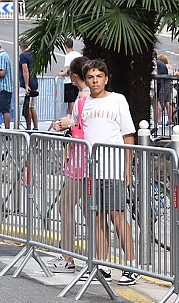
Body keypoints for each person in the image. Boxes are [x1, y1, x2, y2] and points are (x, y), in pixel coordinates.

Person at [72, 59, 137, 285]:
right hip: (92, 171)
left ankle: (130, 264)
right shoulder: (82, 104)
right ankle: (102, 263)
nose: (95, 81)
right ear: (85, 80)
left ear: (106, 78)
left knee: (117, 215)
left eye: (99, 76)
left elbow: (129, 135)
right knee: (97, 217)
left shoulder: (117, 100)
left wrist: (127, 168)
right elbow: (76, 129)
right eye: (90, 77)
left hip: (114, 168)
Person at [49, 55, 90, 274]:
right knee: (85, 208)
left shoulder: (83, 99)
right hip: (82, 158)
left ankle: (67, 257)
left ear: (74, 76)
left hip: (81, 160)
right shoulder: (89, 97)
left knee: (66, 206)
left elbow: (81, 130)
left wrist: (68, 124)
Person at [58, 38, 82, 115]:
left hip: (69, 81)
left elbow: (69, 71)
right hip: (78, 81)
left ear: (65, 46)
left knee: (70, 101)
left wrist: (61, 74)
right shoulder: (79, 55)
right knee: (76, 99)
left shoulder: (68, 56)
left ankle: (71, 116)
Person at [19, 41, 39, 130]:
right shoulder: (34, 54)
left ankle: (28, 127)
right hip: (34, 81)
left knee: (26, 106)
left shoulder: (23, 55)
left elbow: (25, 70)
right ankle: (35, 126)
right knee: (32, 106)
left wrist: (26, 85)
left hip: (27, 83)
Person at [154, 51, 171, 126]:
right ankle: (170, 120)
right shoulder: (161, 63)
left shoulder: (157, 63)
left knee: (158, 101)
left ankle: (159, 120)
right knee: (167, 102)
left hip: (162, 83)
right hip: (167, 82)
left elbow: (156, 73)